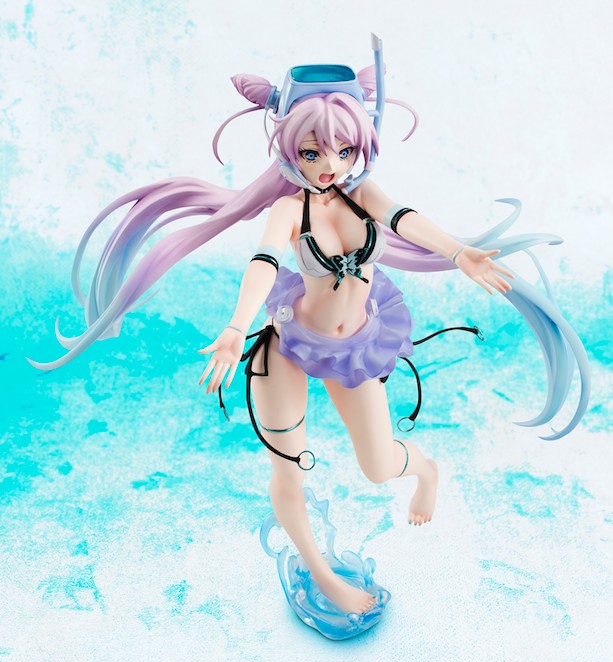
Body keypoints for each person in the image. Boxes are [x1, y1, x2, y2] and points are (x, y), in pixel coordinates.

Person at [29, 41, 590, 617]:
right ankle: (321, 574)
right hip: (290, 345)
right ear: (289, 148)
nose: (329, 164)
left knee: (379, 465)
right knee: (289, 467)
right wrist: (235, 326)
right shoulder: (288, 209)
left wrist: (458, 252)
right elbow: (263, 262)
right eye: (313, 151)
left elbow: (405, 219)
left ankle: (426, 470)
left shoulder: (363, 195)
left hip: (355, 348)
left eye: (344, 150)